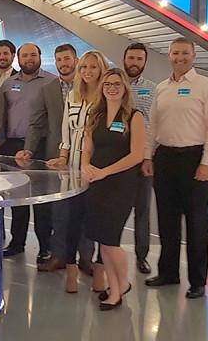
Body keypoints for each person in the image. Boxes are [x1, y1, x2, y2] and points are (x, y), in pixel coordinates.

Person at [143, 38, 208, 299]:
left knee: (197, 222)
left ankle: (198, 281)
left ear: (194, 56)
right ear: (169, 56)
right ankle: (168, 273)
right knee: (166, 220)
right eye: (175, 53)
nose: (180, 57)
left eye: (185, 53)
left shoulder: (205, 86)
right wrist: (148, 156)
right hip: (165, 158)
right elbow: (152, 126)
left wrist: (207, 162)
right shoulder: (162, 88)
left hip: (194, 159)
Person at [17, 44, 93, 272]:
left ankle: (86, 258)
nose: (63, 63)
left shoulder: (92, 88)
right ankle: (58, 256)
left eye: (67, 58)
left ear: (76, 60)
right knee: (59, 212)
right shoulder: (48, 89)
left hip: (86, 158)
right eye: (59, 59)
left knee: (86, 210)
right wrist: (28, 149)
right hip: (56, 158)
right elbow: (37, 122)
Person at [82, 68, 145, 310]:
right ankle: (116, 288)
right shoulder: (95, 114)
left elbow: (136, 155)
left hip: (121, 185)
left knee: (111, 240)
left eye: (117, 84)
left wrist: (105, 171)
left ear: (125, 89)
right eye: (108, 84)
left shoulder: (134, 116)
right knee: (103, 240)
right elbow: (88, 148)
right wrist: (86, 165)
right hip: (97, 184)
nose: (112, 88)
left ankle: (121, 286)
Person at [47, 50, 109, 293]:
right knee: (69, 216)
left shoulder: (107, 96)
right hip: (72, 166)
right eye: (84, 67)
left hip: (98, 167)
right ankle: (67, 262)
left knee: (93, 217)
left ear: (101, 69)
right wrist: (63, 155)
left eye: (93, 67)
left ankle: (88, 260)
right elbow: (66, 129)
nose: (88, 71)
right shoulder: (73, 95)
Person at [1, 43, 55, 260]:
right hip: (14, 146)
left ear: (40, 56)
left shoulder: (51, 82)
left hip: (40, 146)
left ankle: (45, 246)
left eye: (33, 54)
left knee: (42, 199)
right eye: (25, 55)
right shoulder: (8, 84)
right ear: (18, 59)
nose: (29, 59)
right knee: (18, 198)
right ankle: (17, 242)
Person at [122, 42, 156, 274]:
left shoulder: (153, 89)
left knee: (142, 209)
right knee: (111, 207)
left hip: (142, 158)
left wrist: (147, 158)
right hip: (115, 157)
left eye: (139, 59)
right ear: (124, 59)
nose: (134, 63)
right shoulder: (113, 84)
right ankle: (104, 254)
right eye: (131, 58)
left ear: (144, 62)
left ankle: (141, 255)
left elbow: (154, 127)